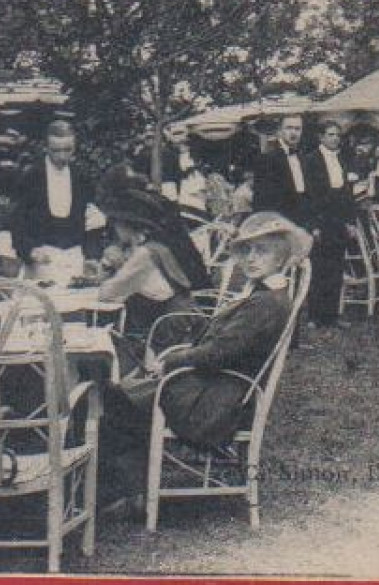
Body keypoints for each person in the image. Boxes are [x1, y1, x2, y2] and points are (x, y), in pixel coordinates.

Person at [101, 212, 308, 497]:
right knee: (119, 396)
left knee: (114, 403)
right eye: (247, 250)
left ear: (282, 257)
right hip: (214, 384)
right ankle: (130, 486)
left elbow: (218, 354)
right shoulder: (263, 295)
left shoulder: (266, 304)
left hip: (216, 401)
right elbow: (219, 350)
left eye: (262, 251)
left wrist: (172, 360)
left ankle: (124, 491)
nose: (251, 258)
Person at [96, 187, 198, 338]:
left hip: (168, 328)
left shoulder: (144, 255)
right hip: (177, 320)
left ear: (126, 226)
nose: (115, 231)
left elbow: (106, 294)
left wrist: (108, 265)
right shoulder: (155, 246)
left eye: (116, 225)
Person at [9, 120, 95, 275]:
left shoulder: (81, 177)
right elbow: (17, 220)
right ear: (46, 148)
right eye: (56, 150)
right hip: (42, 257)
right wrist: (29, 251)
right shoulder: (31, 177)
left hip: (73, 256)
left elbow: (89, 219)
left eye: (67, 150)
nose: (62, 156)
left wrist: (91, 254)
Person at [304, 119, 357, 328]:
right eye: (331, 135)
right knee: (319, 267)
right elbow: (308, 196)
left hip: (339, 220)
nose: (335, 139)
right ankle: (314, 315)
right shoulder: (311, 160)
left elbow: (347, 194)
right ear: (321, 137)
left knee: (336, 267)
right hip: (320, 219)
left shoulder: (342, 160)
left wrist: (350, 222)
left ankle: (332, 315)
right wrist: (313, 225)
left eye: (337, 135)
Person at [250, 114, 312, 226]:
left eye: (297, 129)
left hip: (304, 221)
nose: (293, 133)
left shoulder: (304, 158)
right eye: (289, 128)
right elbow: (261, 199)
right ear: (279, 130)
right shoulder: (267, 158)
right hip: (279, 222)